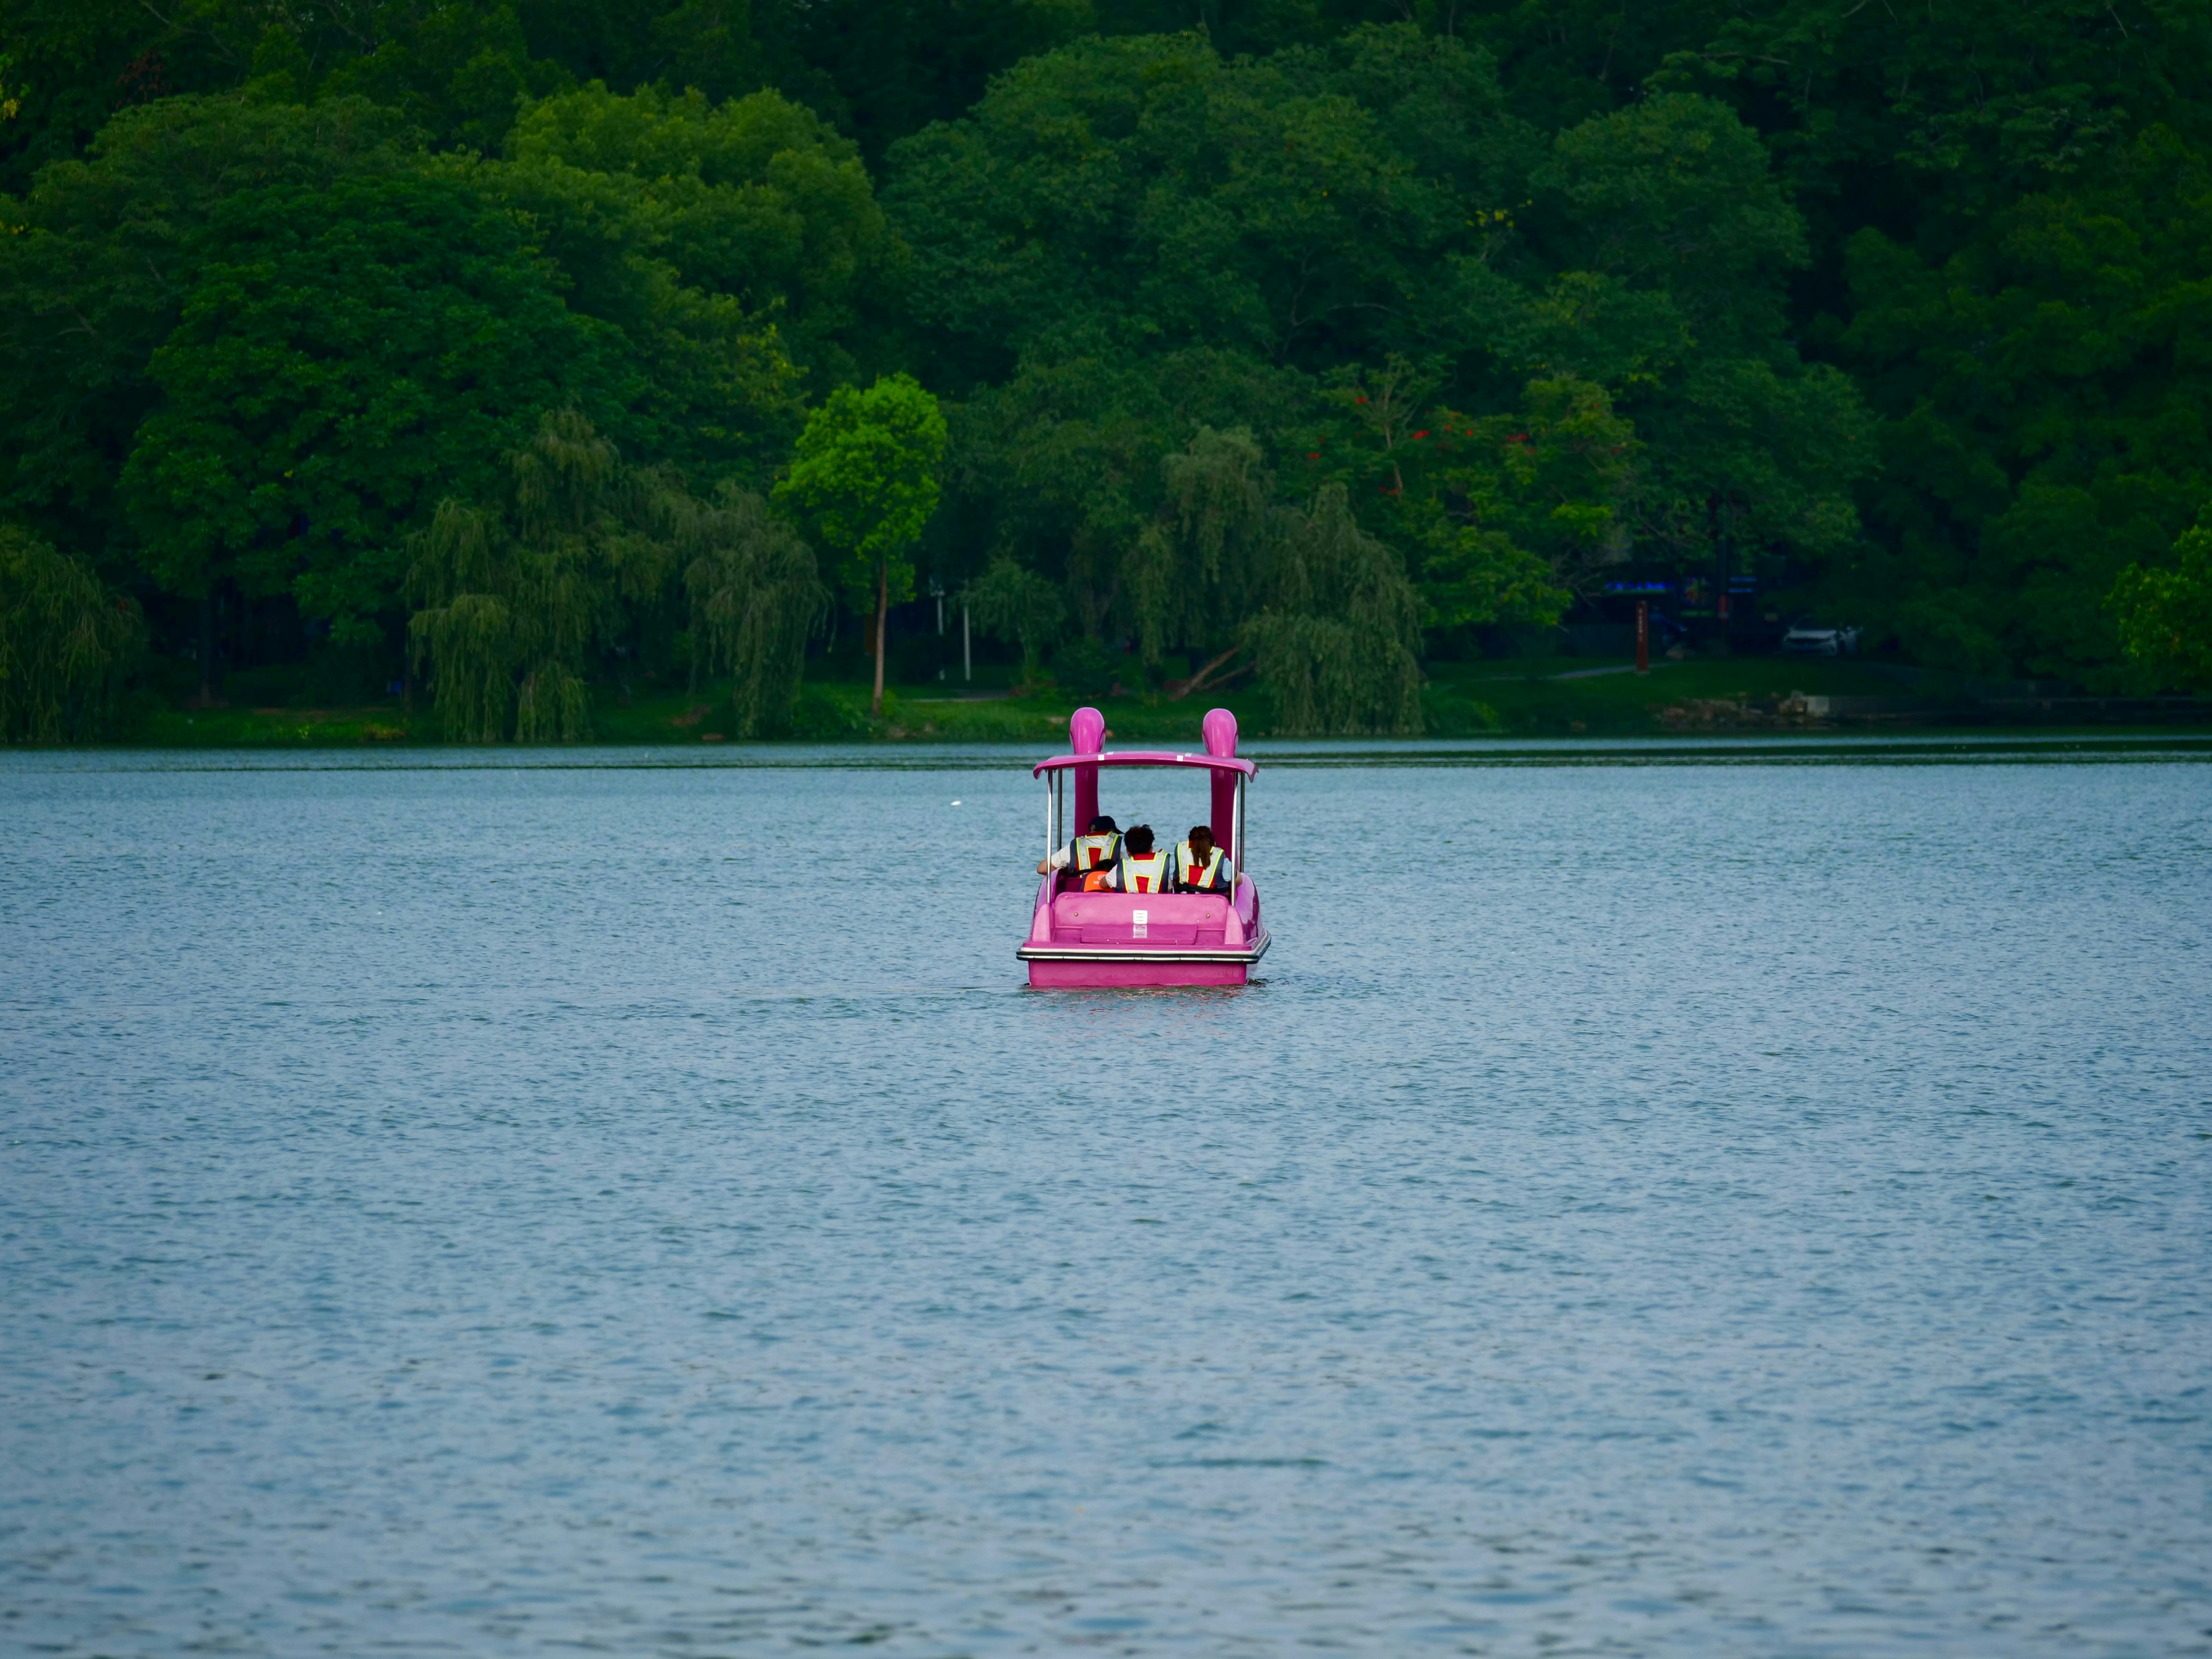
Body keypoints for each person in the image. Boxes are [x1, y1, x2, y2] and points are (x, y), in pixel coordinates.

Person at [1037, 815, 1122, 888]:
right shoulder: (1116, 847)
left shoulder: (1075, 846)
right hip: (1108, 893)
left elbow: (1042, 868)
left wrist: (1066, 871)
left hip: (1079, 894)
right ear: (1111, 832)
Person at [1173, 825, 1232, 894]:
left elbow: (1176, 880)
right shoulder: (1219, 857)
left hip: (1184, 900)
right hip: (1214, 902)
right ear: (1213, 843)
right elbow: (1238, 881)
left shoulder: (1181, 852)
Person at [1116, 824, 1173, 894]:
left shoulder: (1121, 867)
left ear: (1128, 851)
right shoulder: (1162, 868)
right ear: (1151, 849)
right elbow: (1169, 891)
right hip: (1156, 904)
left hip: (1129, 904)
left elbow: (1103, 884)